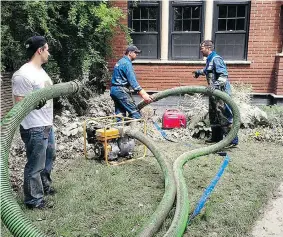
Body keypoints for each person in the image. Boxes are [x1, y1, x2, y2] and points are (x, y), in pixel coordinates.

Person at [12, 35, 56, 209]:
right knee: (35, 164)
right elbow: (20, 104)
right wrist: (35, 102)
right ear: (40, 50)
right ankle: (33, 200)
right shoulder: (23, 75)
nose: (49, 53)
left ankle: (44, 186)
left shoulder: (40, 71)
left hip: (46, 123)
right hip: (34, 127)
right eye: (47, 49)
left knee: (49, 156)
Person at [193, 40, 238, 146]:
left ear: (209, 48)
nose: (200, 50)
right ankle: (216, 138)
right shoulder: (210, 59)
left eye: (202, 48)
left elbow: (223, 76)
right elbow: (208, 70)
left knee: (223, 116)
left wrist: (215, 85)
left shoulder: (216, 59)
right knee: (214, 116)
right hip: (213, 93)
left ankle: (232, 140)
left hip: (220, 93)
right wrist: (198, 72)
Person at [110, 45, 153, 120]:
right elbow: (133, 82)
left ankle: (119, 129)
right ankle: (136, 130)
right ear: (130, 53)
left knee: (120, 115)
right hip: (121, 91)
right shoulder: (127, 64)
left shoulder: (120, 62)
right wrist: (143, 94)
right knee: (135, 113)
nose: (137, 55)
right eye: (135, 53)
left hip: (114, 90)